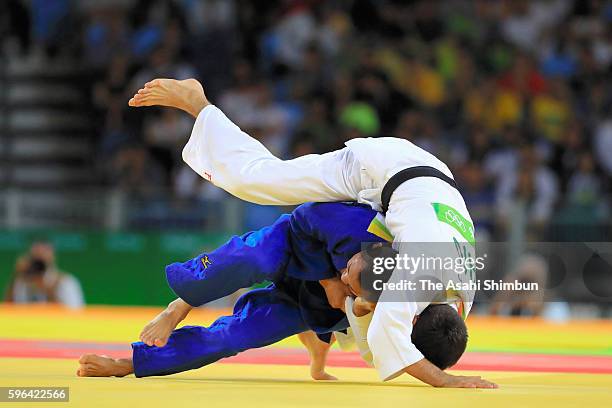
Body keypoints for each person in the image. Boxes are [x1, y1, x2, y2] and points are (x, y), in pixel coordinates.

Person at [127, 78, 490, 388]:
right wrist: (447, 381)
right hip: (378, 170)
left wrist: (362, 308)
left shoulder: (457, 305)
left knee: (358, 302)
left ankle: (318, 341)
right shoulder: (419, 277)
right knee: (255, 182)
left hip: (422, 179)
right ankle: (198, 102)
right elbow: (383, 337)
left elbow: (380, 334)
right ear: (415, 317)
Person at [77, 202, 494, 388]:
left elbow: (362, 339)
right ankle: (180, 303)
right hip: (294, 246)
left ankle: (130, 363)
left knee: (233, 338)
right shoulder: (383, 242)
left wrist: (345, 317)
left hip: (305, 306)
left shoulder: (405, 326)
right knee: (250, 260)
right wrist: (333, 278)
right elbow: (308, 215)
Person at [5, 241, 85, 309]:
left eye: (42, 259)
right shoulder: (21, 282)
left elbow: (76, 315)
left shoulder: (66, 282)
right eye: (35, 258)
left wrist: (48, 289)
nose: (38, 264)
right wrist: (16, 275)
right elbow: (7, 310)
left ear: (52, 258)